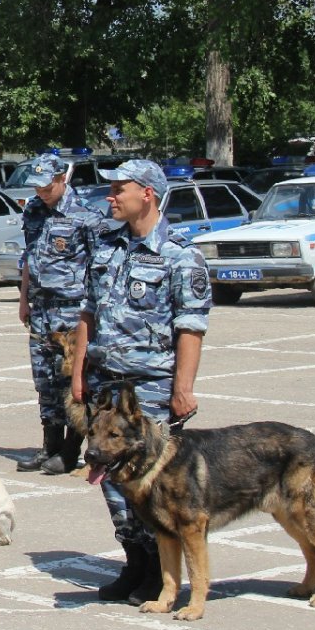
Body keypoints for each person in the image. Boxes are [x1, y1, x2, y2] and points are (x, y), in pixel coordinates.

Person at [72, 159, 212, 602]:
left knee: (155, 485)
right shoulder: (107, 247)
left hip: (150, 385)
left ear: (147, 194)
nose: (110, 197)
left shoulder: (179, 254)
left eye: (119, 189)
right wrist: (78, 374)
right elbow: (88, 314)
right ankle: (135, 565)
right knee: (110, 480)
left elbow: (190, 326)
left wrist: (183, 388)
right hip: (106, 384)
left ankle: (160, 574)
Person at [16, 152, 103, 475]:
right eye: (36, 187)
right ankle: (49, 446)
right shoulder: (34, 211)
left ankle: (69, 451)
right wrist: (24, 300)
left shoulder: (87, 216)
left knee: (73, 382)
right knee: (45, 382)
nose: (41, 192)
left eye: (46, 186)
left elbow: (99, 268)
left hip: (72, 312)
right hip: (41, 311)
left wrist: (93, 316)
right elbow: (29, 258)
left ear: (61, 179)